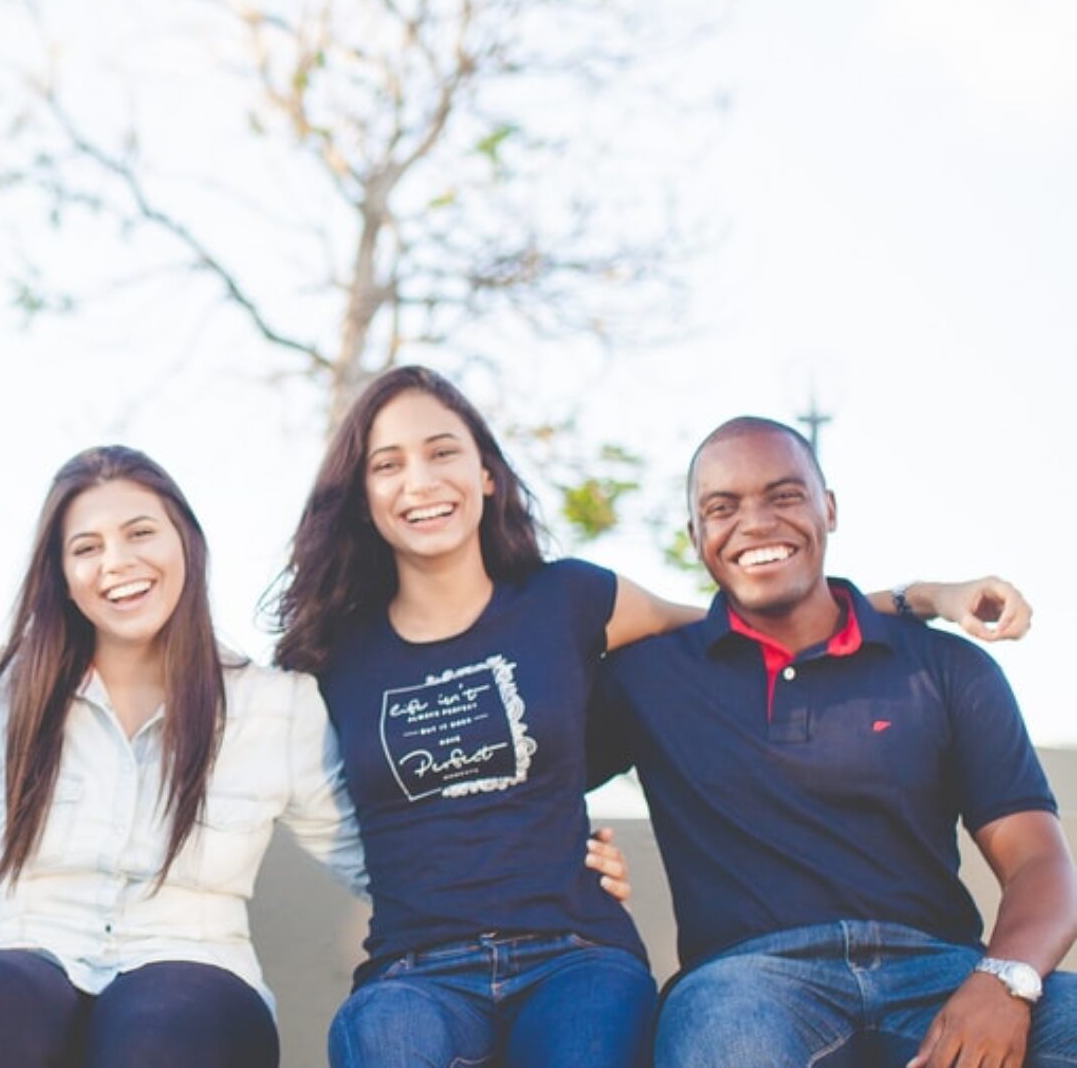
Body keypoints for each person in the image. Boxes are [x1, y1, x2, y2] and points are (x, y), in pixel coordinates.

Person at [271, 366, 1027, 1068]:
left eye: (442, 452)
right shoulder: (333, 653)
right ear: (363, 493)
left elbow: (735, 623)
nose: (421, 481)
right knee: (377, 1036)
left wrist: (920, 597)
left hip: (574, 951)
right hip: (413, 964)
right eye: (388, 463)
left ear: (487, 475)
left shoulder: (570, 599)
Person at [0, 445, 369, 1068]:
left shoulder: (276, 707)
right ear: (62, 576)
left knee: (163, 1030)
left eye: (139, 533)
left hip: (197, 967)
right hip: (28, 952)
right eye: (86, 547)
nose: (116, 562)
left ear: (186, 540)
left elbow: (374, 862)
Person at [591, 416, 1077, 1068]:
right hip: (748, 983)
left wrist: (1003, 980)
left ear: (828, 508)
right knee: (724, 1037)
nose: (755, 522)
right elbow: (516, 783)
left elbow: (1038, 862)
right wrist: (577, 854)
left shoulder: (943, 666)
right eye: (721, 507)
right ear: (695, 536)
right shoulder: (647, 677)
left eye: (783, 495)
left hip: (938, 973)